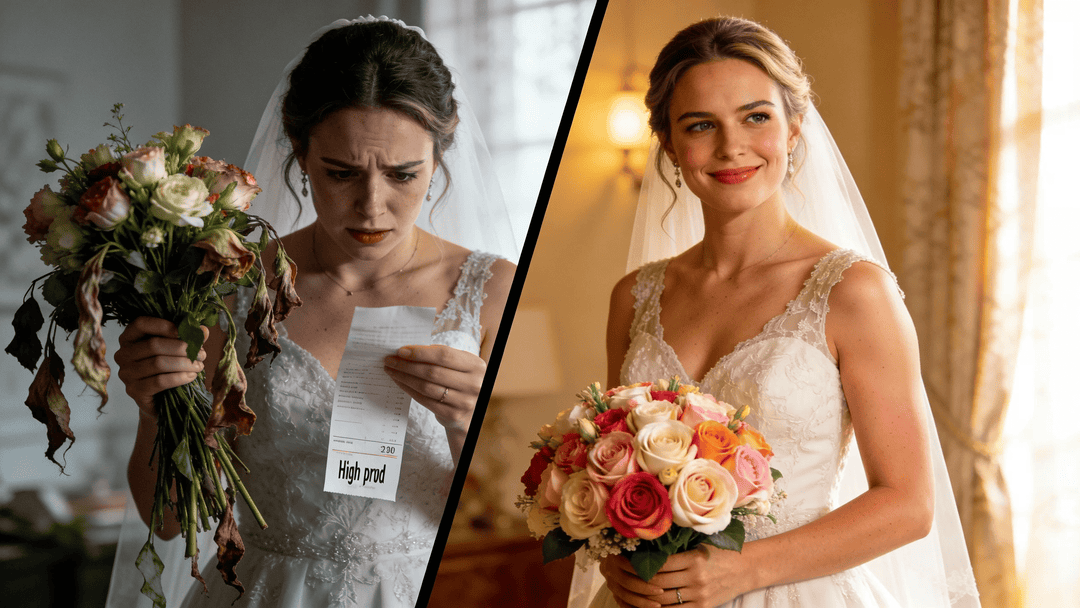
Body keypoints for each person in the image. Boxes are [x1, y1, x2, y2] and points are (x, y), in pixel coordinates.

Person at [107, 16, 517, 608]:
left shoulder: (491, 288)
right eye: (341, 173)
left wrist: (464, 428)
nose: (372, 207)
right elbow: (171, 522)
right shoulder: (232, 284)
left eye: (403, 175)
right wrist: (153, 411)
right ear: (298, 154)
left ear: (440, 157)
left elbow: (512, 516)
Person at [571, 17, 980, 608]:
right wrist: (619, 559)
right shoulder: (633, 295)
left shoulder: (852, 292)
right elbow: (616, 475)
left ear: (793, 128)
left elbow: (908, 504)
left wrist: (742, 570)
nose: (731, 146)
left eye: (756, 117)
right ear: (668, 142)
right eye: (701, 125)